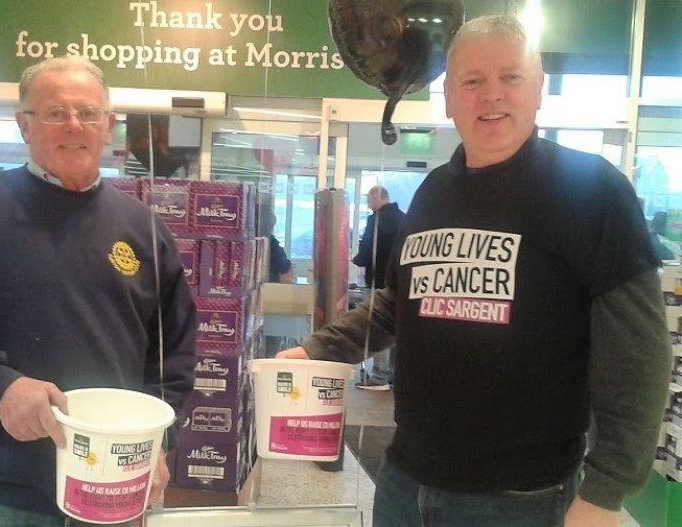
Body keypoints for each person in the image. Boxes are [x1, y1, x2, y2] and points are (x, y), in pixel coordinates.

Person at [278, 15, 671, 527]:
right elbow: (400, 303)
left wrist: (605, 492)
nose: (492, 96)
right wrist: (318, 348)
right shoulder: (433, 192)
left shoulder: (593, 190)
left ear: (538, 90)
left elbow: (639, 357)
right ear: (448, 98)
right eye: (472, 81)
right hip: (403, 482)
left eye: (511, 77)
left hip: (521, 498)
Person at [0, 56, 197, 527]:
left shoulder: (143, 229)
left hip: (114, 484)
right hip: (4, 493)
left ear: (109, 126)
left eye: (88, 113)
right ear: (24, 125)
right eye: (55, 113)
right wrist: (0, 386)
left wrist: (159, 440)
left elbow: (172, 353)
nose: (74, 125)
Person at [352, 185, 404, 390]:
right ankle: (393, 376)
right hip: (400, 283)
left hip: (379, 282)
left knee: (379, 327)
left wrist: (356, 259)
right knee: (395, 330)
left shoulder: (377, 220)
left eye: (369, 200)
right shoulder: (403, 217)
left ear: (378, 197)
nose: (368, 204)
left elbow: (367, 252)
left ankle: (379, 377)